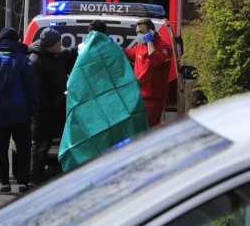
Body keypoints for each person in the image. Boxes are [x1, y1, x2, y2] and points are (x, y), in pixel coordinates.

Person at [59, 27, 147, 171]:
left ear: (89, 31)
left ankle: (87, 165)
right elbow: (126, 79)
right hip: (115, 108)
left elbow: (75, 81)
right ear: (106, 32)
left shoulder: (84, 51)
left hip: (89, 110)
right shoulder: (115, 50)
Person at [0, 27, 38, 193]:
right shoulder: (23, 60)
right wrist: (33, 108)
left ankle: (4, 182)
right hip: (20, 111)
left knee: (1, 148)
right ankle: (23, 182)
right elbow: (31, 87)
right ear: (18, 40)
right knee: (23, 147)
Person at [29, 26, 73, 186]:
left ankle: (41, 174)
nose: (62, 44)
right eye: (58, 42)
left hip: (57, 110)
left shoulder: (55, 55)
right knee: (40, 145)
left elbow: (70, 54)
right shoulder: (36, 61)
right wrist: (55, 101)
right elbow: (37, 90)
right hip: (43, 112)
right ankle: (35, 176)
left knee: (46, 145)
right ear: (50, 44)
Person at [123, 17, 172, 127]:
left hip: (153, 98)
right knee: (137, 128)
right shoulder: (140, 45)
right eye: (137, 32)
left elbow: (155, 61)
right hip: (138, 95)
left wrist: (150, 41)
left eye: (141, 32)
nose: (138, 35)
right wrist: (116, 47)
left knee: (147, 129)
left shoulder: (164, 47)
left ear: (151, 32)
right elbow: (131, 54)